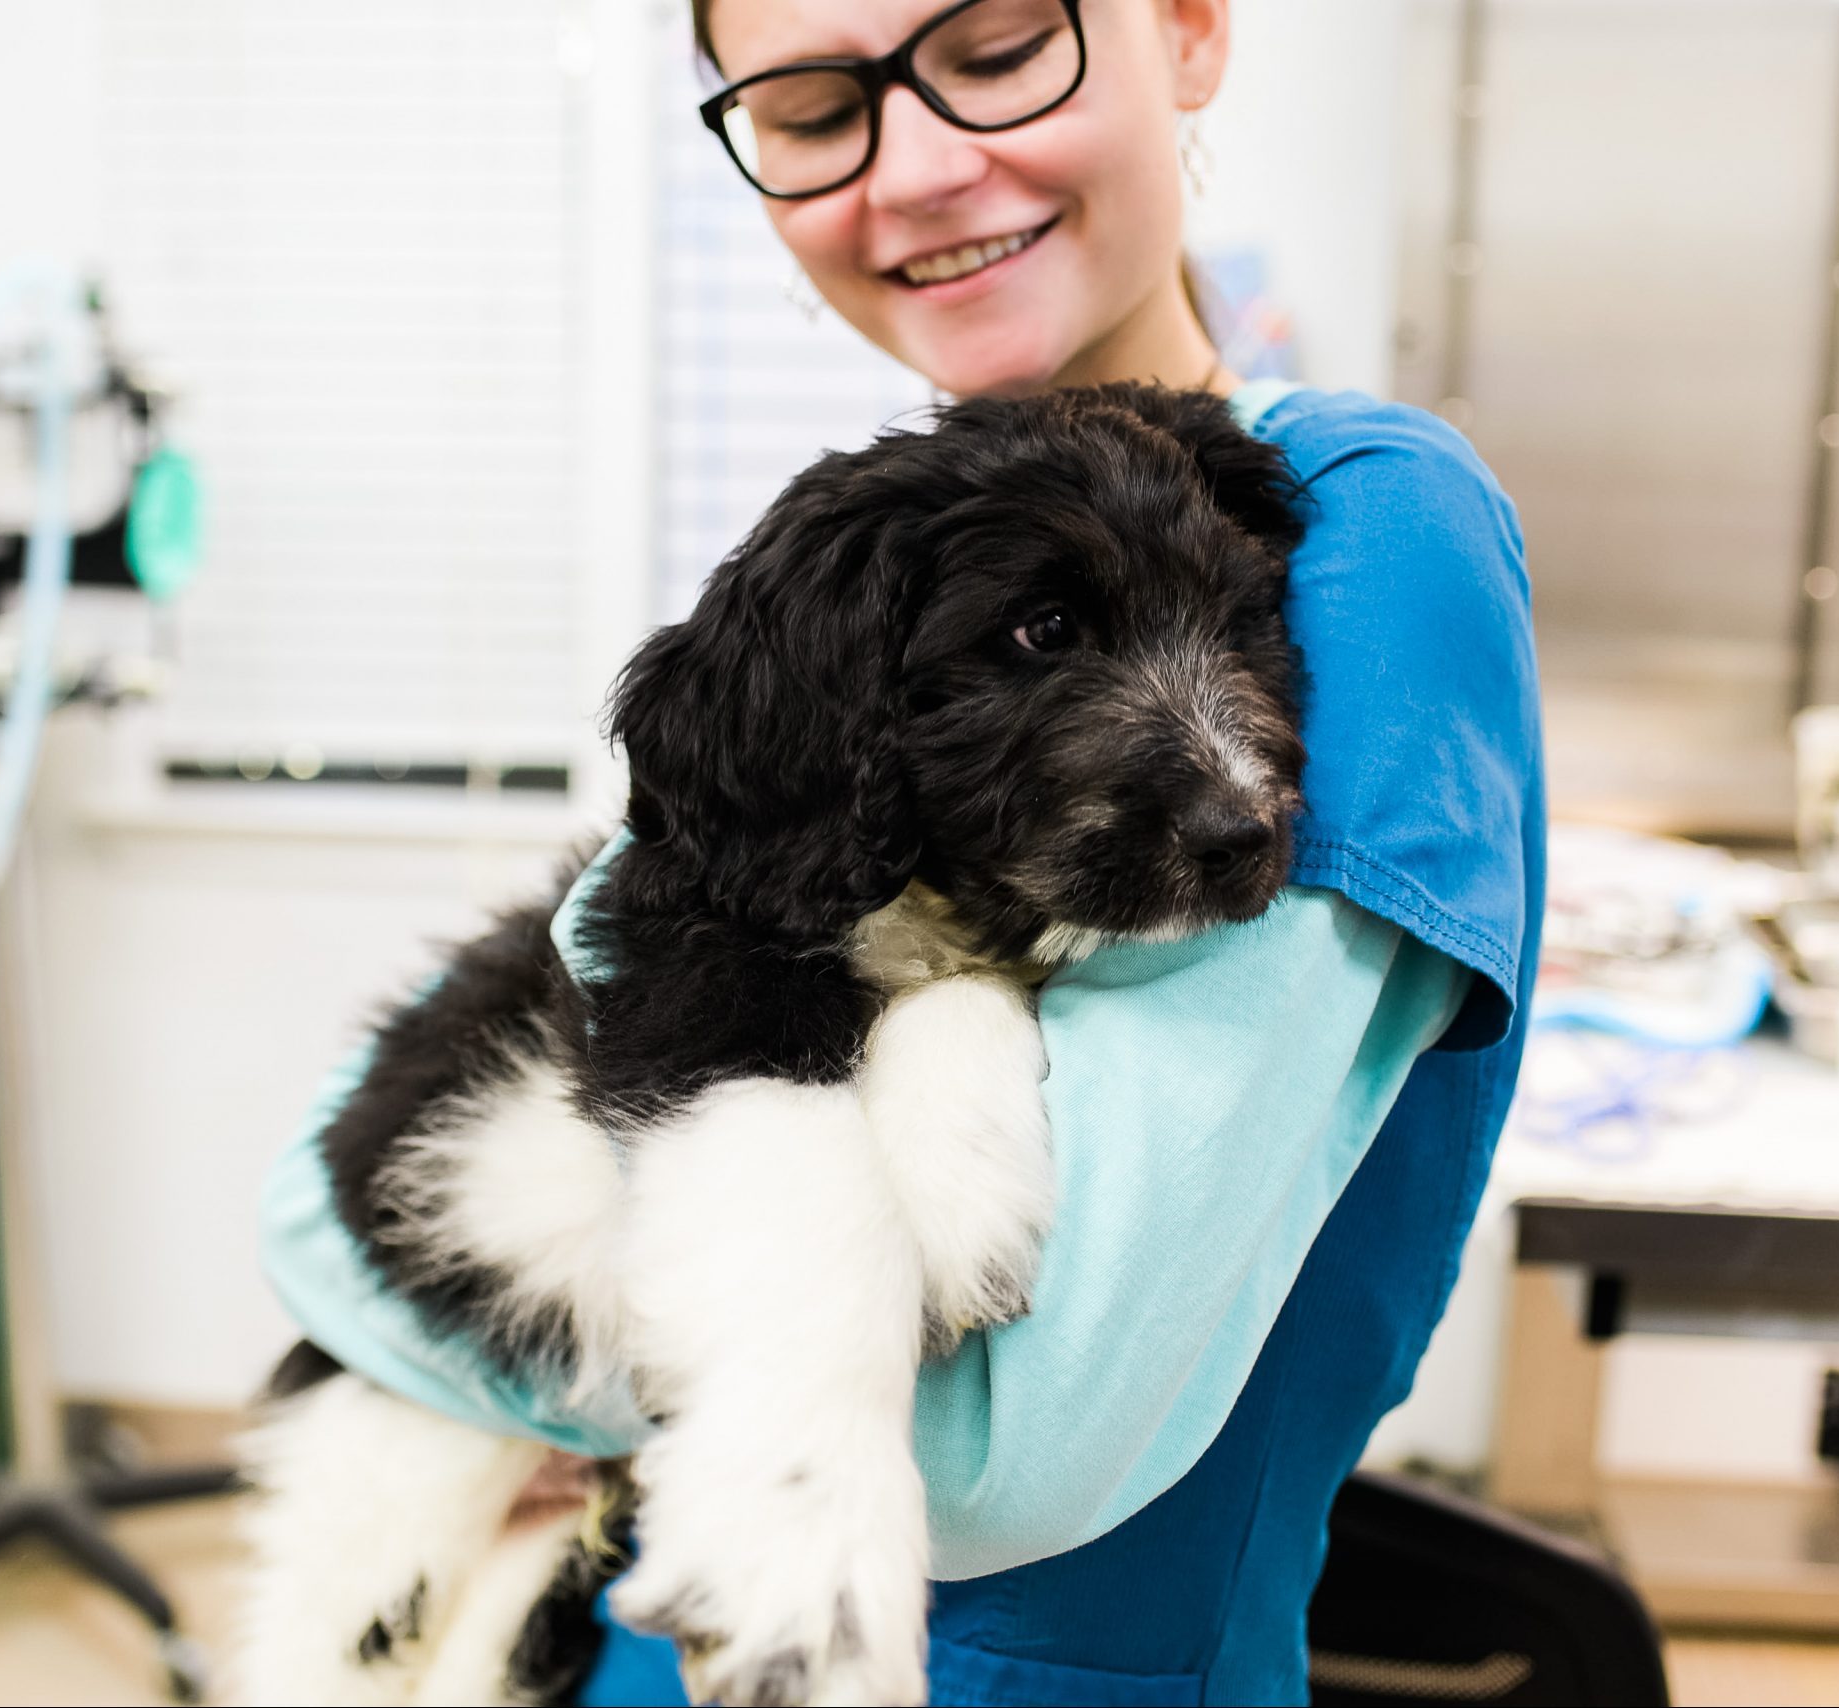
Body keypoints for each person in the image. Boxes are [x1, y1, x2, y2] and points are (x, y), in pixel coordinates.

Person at [258, 1, 1544, 1701]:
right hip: (639, 1638)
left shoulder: (1367, 528)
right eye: (810, 107)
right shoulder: (871, 573)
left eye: (1003, 46)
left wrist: (567, 1342)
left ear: (1189, 29)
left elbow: (1022, 1438)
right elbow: (326, 1220)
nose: (922, 170)